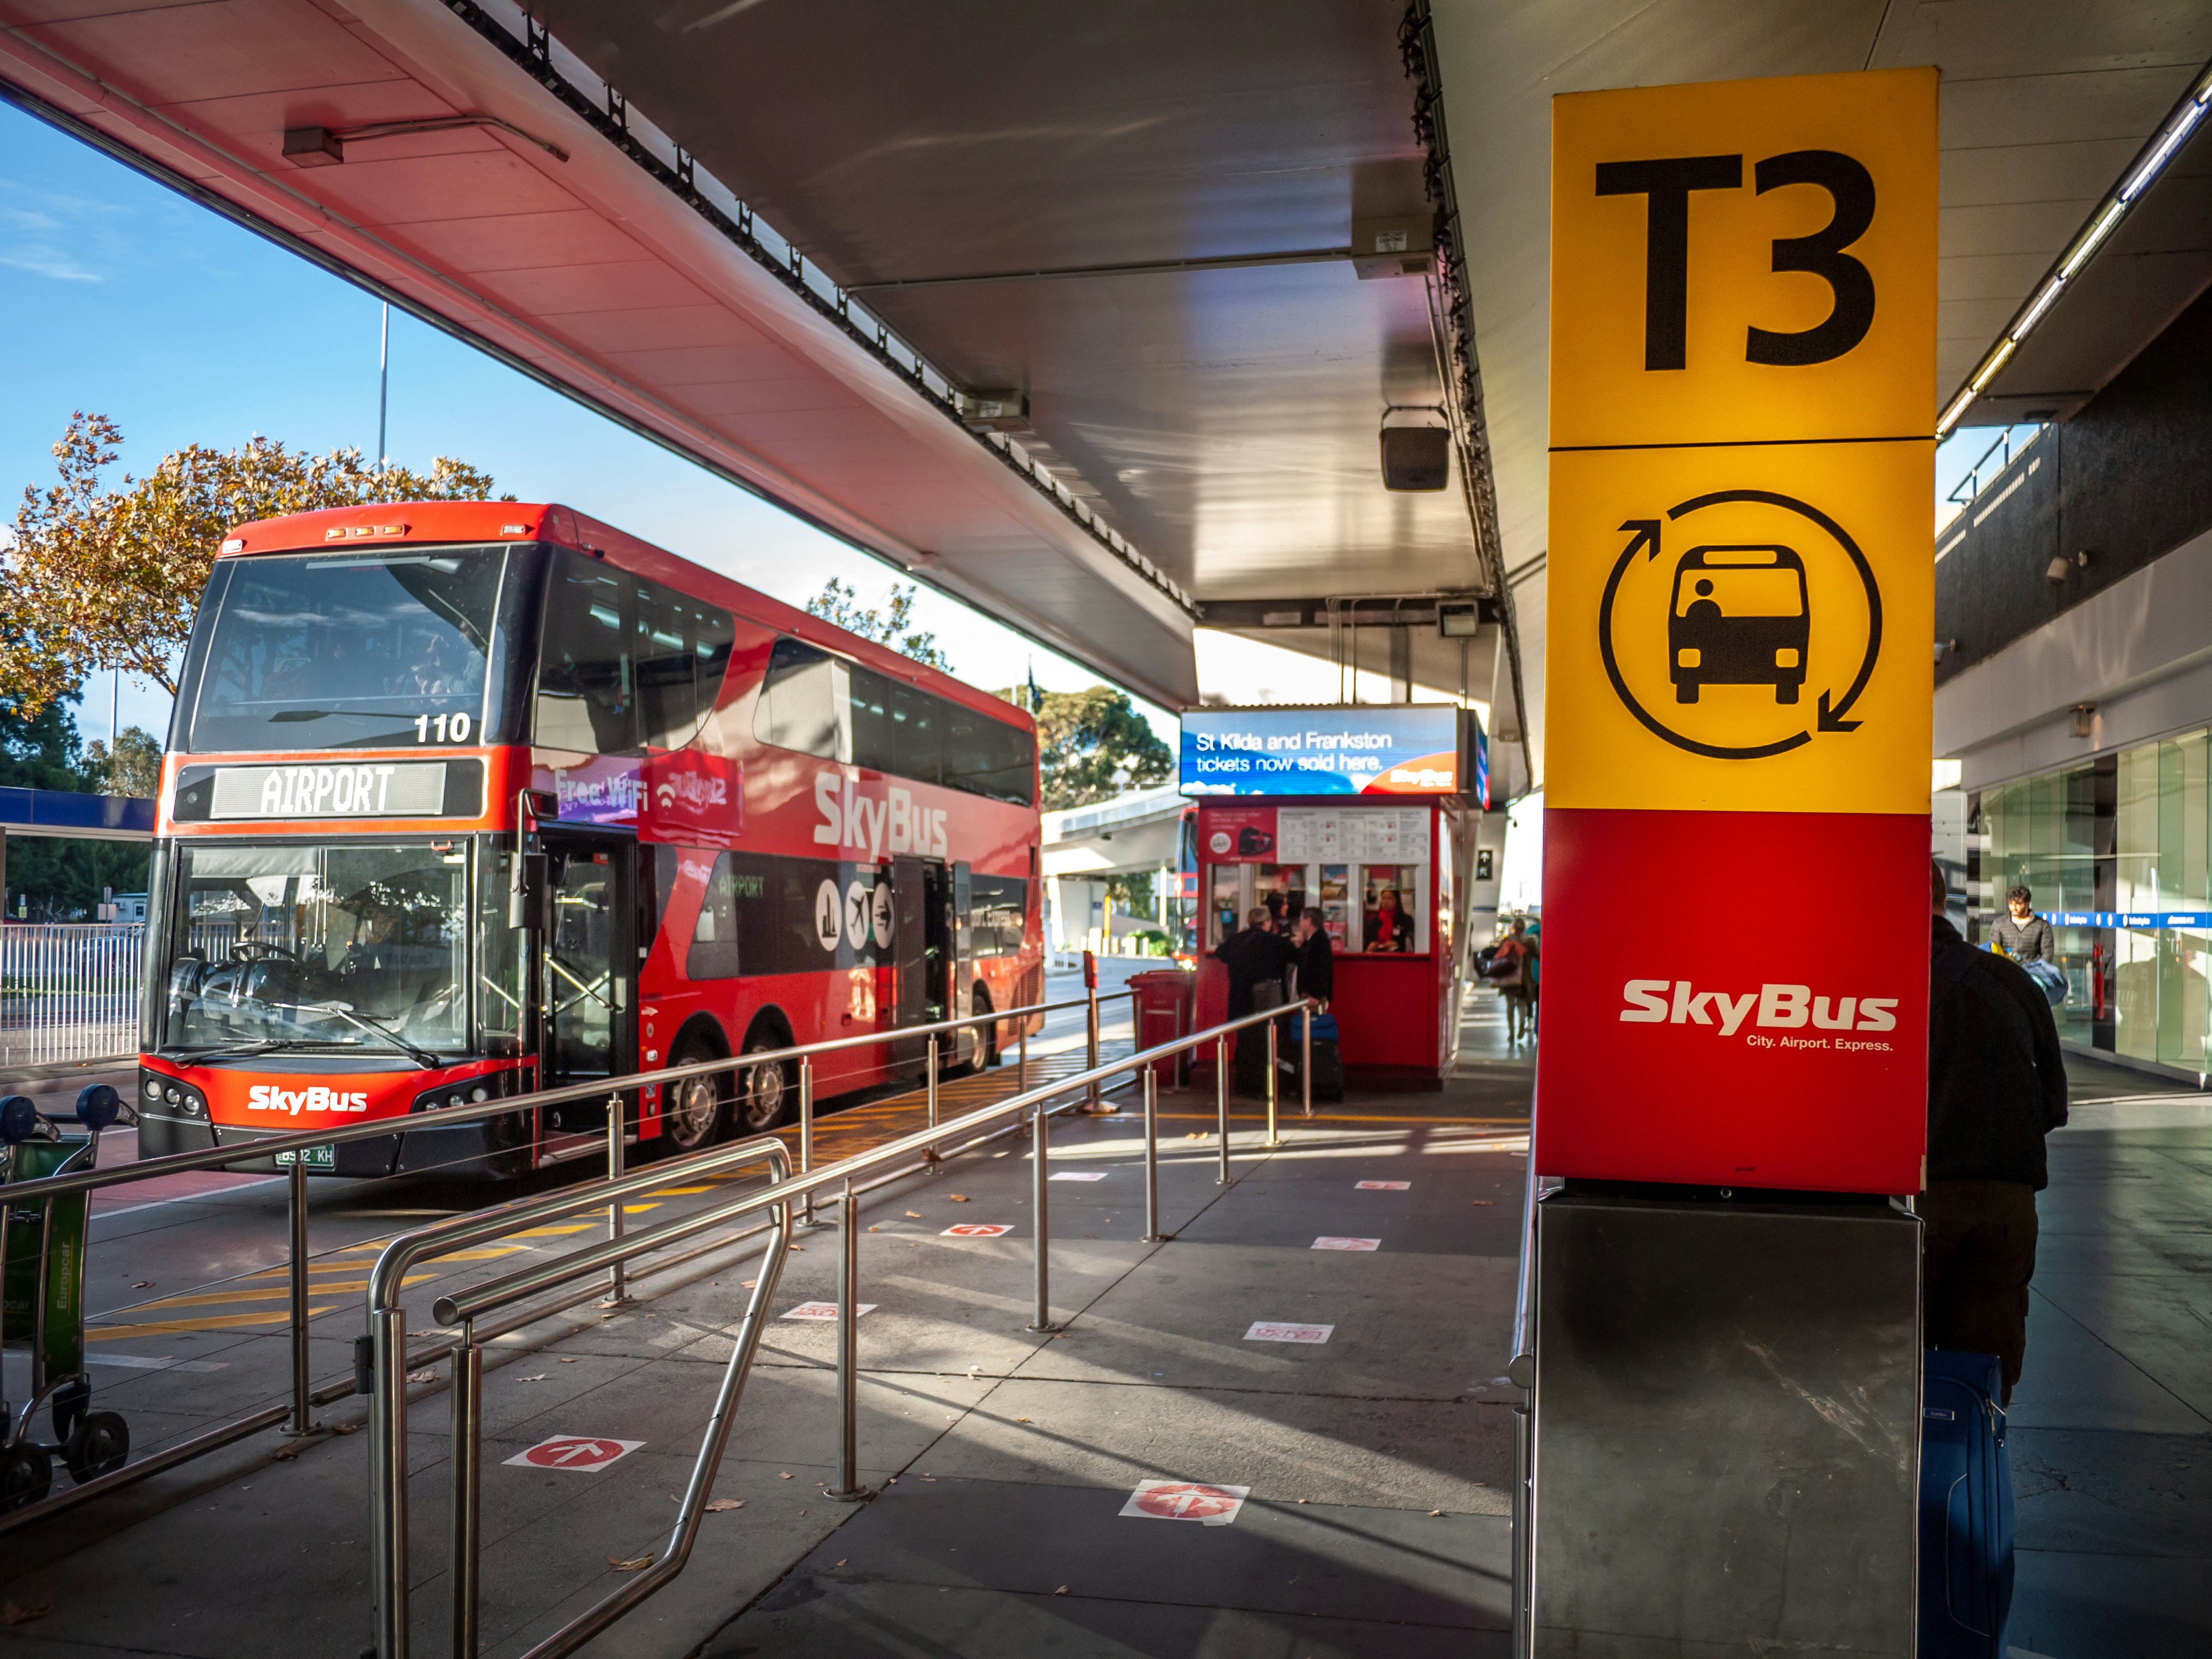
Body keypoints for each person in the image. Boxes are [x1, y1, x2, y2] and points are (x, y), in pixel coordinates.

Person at [1927, 860, 2069, 1403]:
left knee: (1890, 1365)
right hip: (2004, 1210)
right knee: (1981, 1374)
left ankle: (1908, 1484)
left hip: (1910, 1206)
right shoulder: (2011, 981)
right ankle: (1973, 1479)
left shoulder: (1874, 983)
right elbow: (2054, 1106)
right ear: (1944, 900)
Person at [1217, 905, 1290, 1094]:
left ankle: (1244, 1085)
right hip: (1265, 1001)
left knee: (1245, 1043)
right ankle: (1265, 1086)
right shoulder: (1273, 942)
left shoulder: (1237, 940)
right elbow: (1292, 954)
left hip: (1241, 1000)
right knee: (1266, 1043)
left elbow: (1221, 953)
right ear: (1267, 923)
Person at [1989, 885, 2055, 963]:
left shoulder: (2042, 925)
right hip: (2006, 970)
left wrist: (2039, 970)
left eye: (2018, 904)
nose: (2014, 907)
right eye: (2011, 904)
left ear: (2028, 903)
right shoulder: (1999, 924)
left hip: (2032, 971)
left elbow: (2047, 953)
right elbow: (1993, 950)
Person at [1288, 907, 1333, 1009]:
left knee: (1311, 1023)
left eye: (1301, 920)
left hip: (1313, 997)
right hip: (1310, 995)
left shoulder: (1319, 942)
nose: (1299, 924)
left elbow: (1320, 970)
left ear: (1308, 921)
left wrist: (1315, 995)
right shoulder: (1313, 940)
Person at [1364, 888, 1412, 952]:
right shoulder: (1375, 920)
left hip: (1398, 958)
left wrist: (1396, 945)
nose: (1386, 902)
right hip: (1377, 957)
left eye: (1390, 898)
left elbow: (1410, 944)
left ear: (1397, 901)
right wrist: (1370, 946)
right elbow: (1366, 941)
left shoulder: (1405, 920)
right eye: (1384, 898)